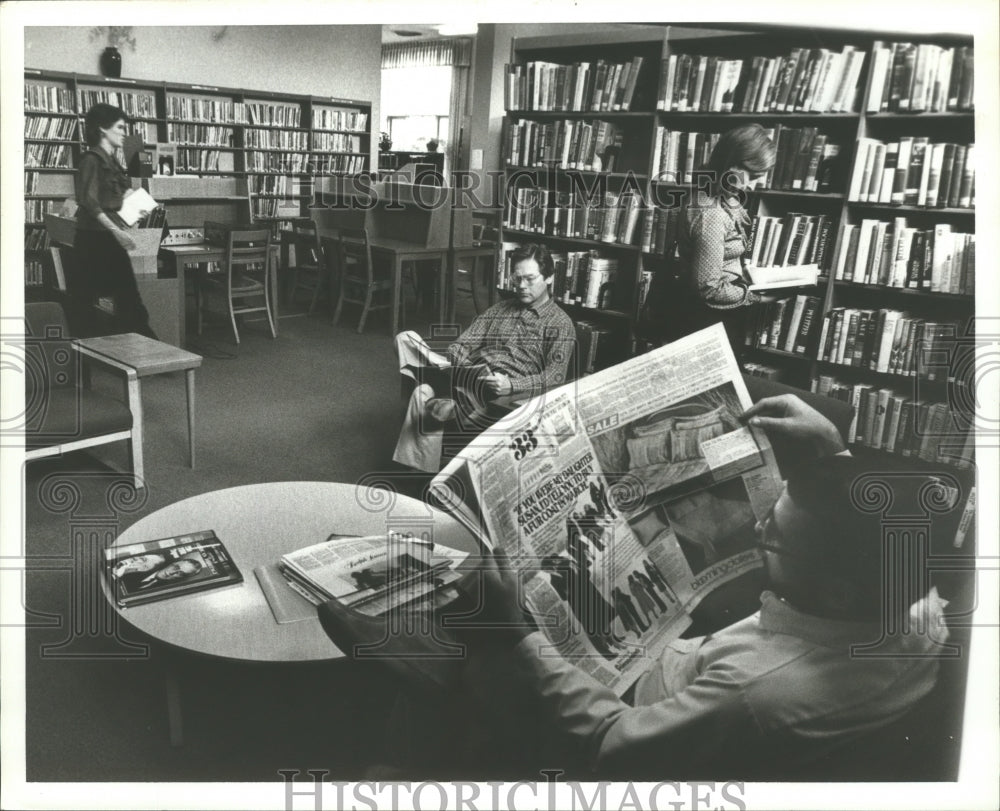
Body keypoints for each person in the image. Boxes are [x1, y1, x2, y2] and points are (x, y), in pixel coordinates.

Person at [330, 394, 950, 778]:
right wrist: (834, 459)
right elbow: (865, 530)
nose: (760, 526)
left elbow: (609, 743)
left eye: (774, 534)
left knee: (429, 631)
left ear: (837, 592)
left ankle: (416, 762)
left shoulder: (756, 696)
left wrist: (515, 635)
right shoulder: (914, 604)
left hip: (620, 716)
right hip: (684, 663)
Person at [392, 243, 575, 472]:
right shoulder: (501, 309)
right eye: (517, 279)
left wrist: (511, 385)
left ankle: (421, 467)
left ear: (548, 278)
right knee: (405, 338)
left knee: (421, 394)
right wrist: (464, 363)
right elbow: (461, 344)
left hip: (504, 392)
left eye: (529, 279)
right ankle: (453, 400)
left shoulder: (560, 323)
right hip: (471, 373)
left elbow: (555, 375)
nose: (521, 286)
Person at [674, 123, 776, 355]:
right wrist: (759, 298)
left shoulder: (721, 196)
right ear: (733, 165)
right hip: (708, 321)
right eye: (753, 176)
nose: (753, 185)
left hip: (715, 316)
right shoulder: (711, 212)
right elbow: (708, 289)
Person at [67, 102, 156, 339]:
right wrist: (117, 231)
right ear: (103, 129)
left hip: (107, 238)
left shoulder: (113, 161)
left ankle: (140, 346)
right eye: (119, 127)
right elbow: (89, 202)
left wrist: (136, 204)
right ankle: (90, 353)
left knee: (127, 299)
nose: (124, 133)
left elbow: (117, 195)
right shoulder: (91, 160)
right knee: (87, 303)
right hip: (92, 241)